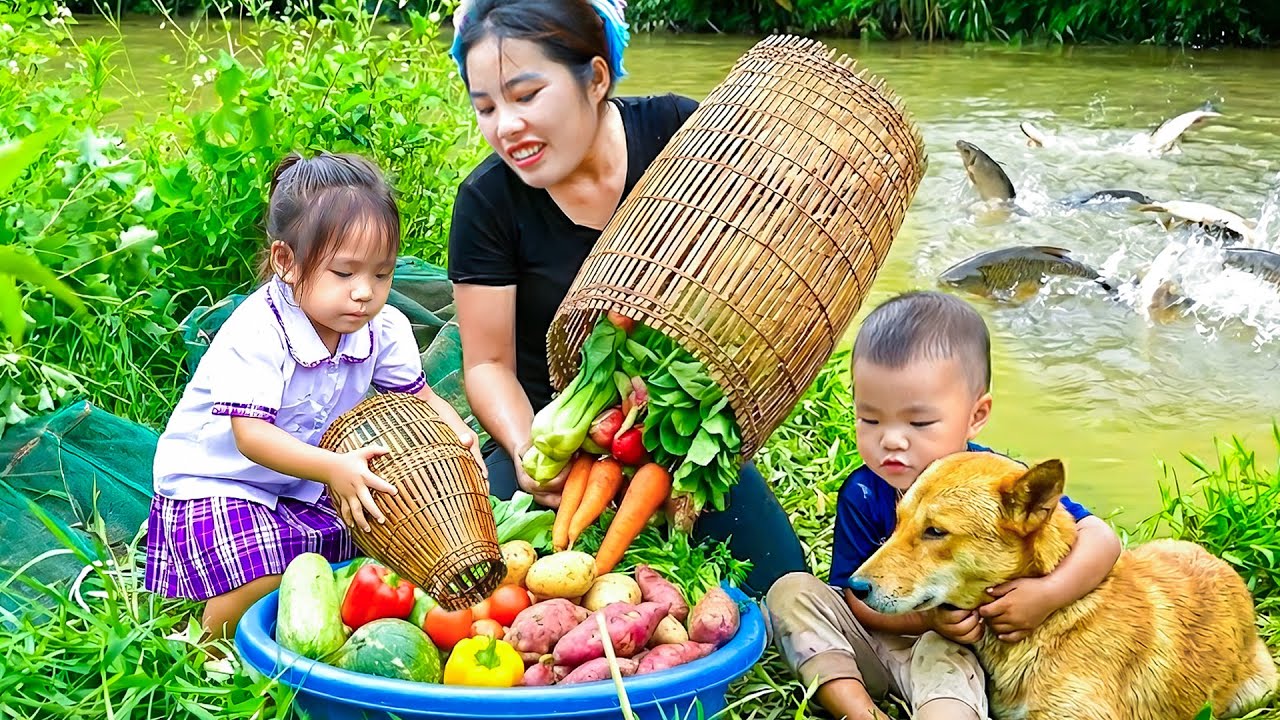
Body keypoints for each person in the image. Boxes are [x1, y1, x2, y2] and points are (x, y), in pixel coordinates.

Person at [445, 0, 806, 594]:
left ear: (595, 79)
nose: (505, 125)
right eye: (486, 107)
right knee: (489, 588)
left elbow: (762, 262)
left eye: (526, 95)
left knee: (784, 585)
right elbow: (487, 364)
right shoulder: (488, 202)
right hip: (561, 441)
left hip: (678, 435)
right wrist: (527, 448)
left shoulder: (683, 135)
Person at [145, 151, 485, 641]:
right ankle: (211, 646)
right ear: (286, 262)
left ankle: (315, 629)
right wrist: (333, 469)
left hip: (306, 481)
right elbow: (251, 437)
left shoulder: (381, 327)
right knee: (263, 567)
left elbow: (420, 398)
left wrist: (456, 433)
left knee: (375, 540)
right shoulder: (259, 330)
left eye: (381, 274)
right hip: (221, 483)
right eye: (344, 273)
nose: (365, 292)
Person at [765, 291, 1122, 720]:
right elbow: (856, 591)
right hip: (874, 641)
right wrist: (926, 620)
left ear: (976, 415)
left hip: (948, 652)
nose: (891, 440)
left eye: (919, 422)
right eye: (870, 419)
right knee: (790, 591)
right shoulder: (862, 490)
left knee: (944, 654)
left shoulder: (998, 485)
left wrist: (1047, 595)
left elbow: (1101, 537)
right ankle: (860, 713)